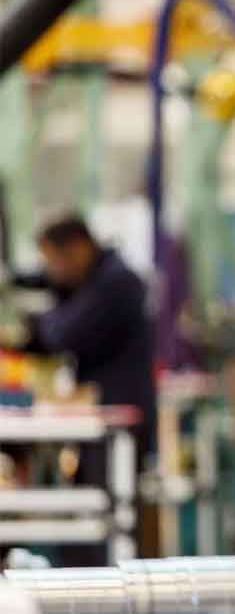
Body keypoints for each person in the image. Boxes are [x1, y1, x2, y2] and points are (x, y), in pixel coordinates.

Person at [5, 214, 156, 565]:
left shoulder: (118, 283)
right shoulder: (101, 278)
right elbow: (45, 288)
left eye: (54, 261)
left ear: (78, 249)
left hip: (119, 429)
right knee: (91, 523)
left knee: (108, 528)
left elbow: (59, 334)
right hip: (103, 427)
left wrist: (16, 332)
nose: (53, 272)